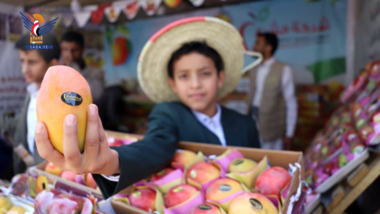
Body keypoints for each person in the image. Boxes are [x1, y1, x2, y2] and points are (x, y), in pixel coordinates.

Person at [35, 17, 261, 199]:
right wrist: (111, 162)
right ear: (173, 83)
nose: (195, 84)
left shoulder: (245, 124)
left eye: (205, 73)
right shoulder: (169, 114)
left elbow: (258, 170)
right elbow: (153, 147)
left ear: (220, 78)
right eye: (184, 76)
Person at [0, 33, 60, 174]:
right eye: (22, 61)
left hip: (51, 176)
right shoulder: (32, 92)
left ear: (52, 64)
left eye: (32, 62)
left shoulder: (61, 97)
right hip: (30, 173)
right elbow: (21, 124)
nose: (24, 69)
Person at [246, 32, 297, 150]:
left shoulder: (284, 70)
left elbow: (291, 102)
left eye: (258, 43)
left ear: (268, 48)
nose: (254, 47)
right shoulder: (253, 68)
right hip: (253, 121)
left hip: (273, 128)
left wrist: (289, 133)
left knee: (271, 162)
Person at [60, 31, 104, 102]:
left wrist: (73, 68)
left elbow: (96, 95)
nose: (69, 55)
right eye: (65, 49)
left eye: (73, 50)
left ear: (82, 50)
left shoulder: (95, 72)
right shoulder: (56, 70)